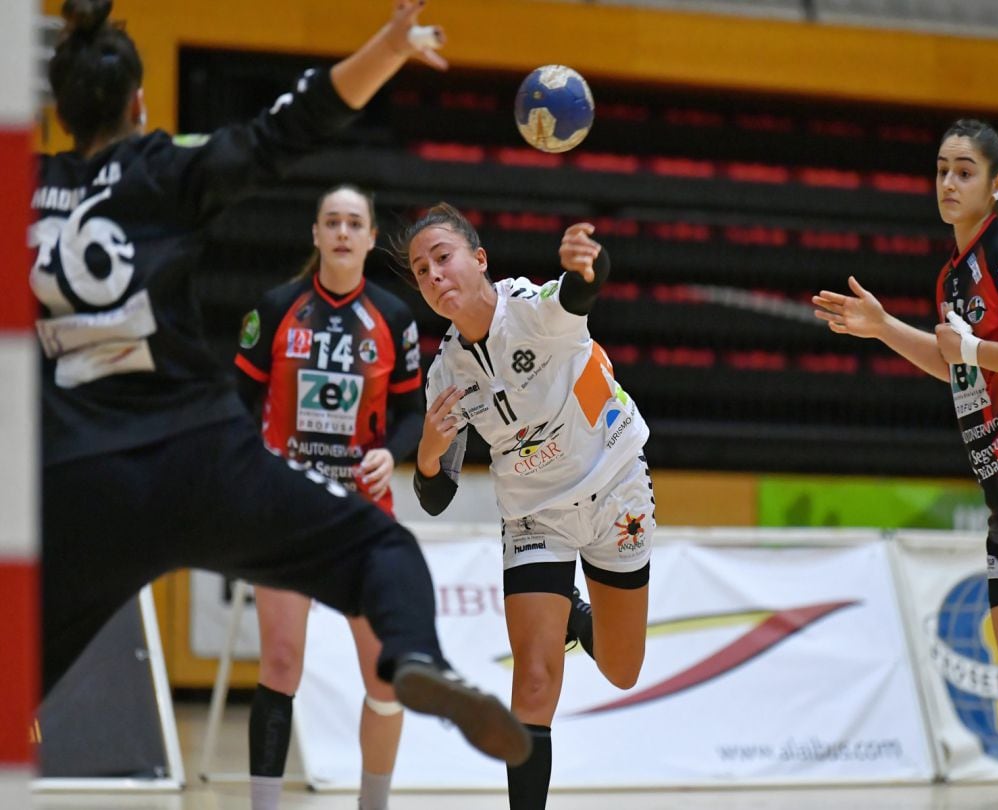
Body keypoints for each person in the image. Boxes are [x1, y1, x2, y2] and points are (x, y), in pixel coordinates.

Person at [33, 0, 530, 772]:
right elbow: (286, 127)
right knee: (381, 551)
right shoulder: (165, 166)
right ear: (140, 104)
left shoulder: (19, 190)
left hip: (72, 475)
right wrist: (389, 47)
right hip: (194, 456)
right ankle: (413, 659)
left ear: (57, 114)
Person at [813, 119, 998, 810]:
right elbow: (954, 363)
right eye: (940, 170)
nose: (948, 182)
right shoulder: (952, 275)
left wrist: (975, 353)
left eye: (964, 171)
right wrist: (883, 328)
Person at [400, 204, 652, 809]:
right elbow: (434, 497)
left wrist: (587, 263)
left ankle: (573, 613)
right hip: (535, 514)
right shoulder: (445, 376)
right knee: (536, 679)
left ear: (479, 259)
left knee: (622, 670)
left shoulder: (532, 310)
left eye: (443, 257)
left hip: (615, 482)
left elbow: (581, 291)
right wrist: (431, 452)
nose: (434, 275)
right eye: (420, 270)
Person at [234, 185, 423, 810]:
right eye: (332, 222)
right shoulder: (276, 308)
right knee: (281, 663)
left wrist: (389, 453)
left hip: (360, 517)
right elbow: (237, 407)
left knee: (384, 676)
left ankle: (374, 804)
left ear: (371, 238)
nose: (343, 232)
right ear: (315, 235)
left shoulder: (394, 317)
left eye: (355, 223)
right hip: (286, 512)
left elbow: (411, 413)